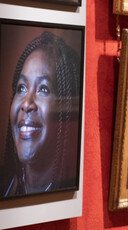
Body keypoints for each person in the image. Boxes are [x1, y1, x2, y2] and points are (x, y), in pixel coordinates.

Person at [0, 31, 81, 198]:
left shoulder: (69, 190)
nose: (26, 104)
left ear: (65, 108)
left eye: (43, 89)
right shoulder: (4, 182)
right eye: (21, 88)